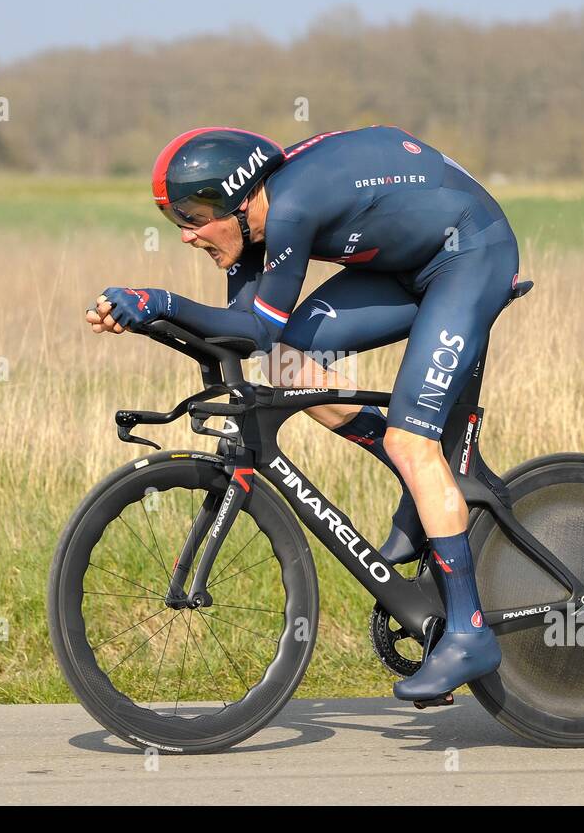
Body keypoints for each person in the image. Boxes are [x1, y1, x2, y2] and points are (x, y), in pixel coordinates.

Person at [89, 125, 521, 701]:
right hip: (404, 266)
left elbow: (256, 325)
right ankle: (422, 488)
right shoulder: (251, 228)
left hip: (469, 255)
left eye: (194, 217)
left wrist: (159, 301)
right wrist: (148, 320)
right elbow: (248, 335)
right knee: (285, 361)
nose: (188, 236)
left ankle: (468, 634)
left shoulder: (290, 210)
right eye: (178, 223)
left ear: (240, 198)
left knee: (411, 441)